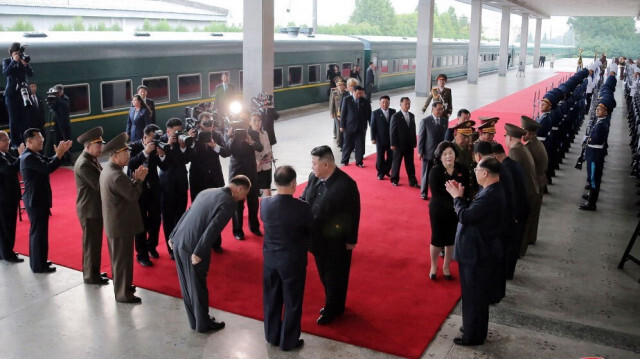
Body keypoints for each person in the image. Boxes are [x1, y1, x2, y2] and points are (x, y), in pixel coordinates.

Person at [168, 175, 251, 333]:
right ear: (240, 189)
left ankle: (196, 320)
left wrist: (173, 235)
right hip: (194, 246)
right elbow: (213, 229)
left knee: (186, 284)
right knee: (198, 285)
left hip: (179, 241)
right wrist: (199, 252)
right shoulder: (229, 202)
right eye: (245, 194)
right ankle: (203, 324)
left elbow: (188, 212)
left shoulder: (207, 191)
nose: (244, 198)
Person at [445, 157, 506, 347]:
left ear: (486, 173)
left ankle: (472, 336)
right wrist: (462, 197)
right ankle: (473, 327)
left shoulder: (490, 195)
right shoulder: (492, 190)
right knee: (476, 296)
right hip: (480, 250)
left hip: (476, 253)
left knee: (473, 296)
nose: (475, 172)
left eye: (478, 170)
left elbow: (466, 216)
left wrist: (456, 198)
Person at [300, 145, 360, 325]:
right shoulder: (313, 178)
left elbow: (354, 213)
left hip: (336, 242)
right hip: (316, 240)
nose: (312, 167)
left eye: (314, 163)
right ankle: (335, 303)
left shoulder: (346, 185)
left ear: (326, 165)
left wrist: (351, 240)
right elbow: (304, 199)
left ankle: (333, 308)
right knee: (324, 274)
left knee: (336, 276)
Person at [260, 166, 311, 351]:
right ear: (294, 183)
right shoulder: (303, 208)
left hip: (270, 260)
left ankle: (272, 336)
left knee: (271, 298)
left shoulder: (264, 204)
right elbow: (309, 232)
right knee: (292, 301)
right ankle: (288, 341)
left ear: (274, 182)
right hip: (293, 261)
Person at [100, 133, 148, 303]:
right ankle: (123, 294)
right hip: (121, 224)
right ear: (115, 155)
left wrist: (134, 180)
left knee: (120, 260)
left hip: (116, 223)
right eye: (125, 151)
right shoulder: (117, 175)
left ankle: (124, 286)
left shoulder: (110, 170)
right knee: (122, 261)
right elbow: (133, 195)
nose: (128, 154)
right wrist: (139, 181)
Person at [20, 128, 72, 273]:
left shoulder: (33, 154)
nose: (42, 141)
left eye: (42, 139)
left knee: (41, 233)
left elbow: (48, 161)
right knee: (38, 233)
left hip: (38, 199)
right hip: (35, 200)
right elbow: (47, 168)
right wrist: (59, 154)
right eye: (39, 139)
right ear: (29, 141)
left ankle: (40, 261)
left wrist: (58, 155)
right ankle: (37, 265)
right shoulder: (28, 157)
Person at [428, 141, 469, 280]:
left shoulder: (462, 169)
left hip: (456, 210)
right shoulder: (435, 171)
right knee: (437, 239)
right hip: (438, 210)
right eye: (444, 154)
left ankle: (446, 266)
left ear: (455, 154)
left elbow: (466, 190)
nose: (448, 156)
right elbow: (437, 194)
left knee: (451, 239)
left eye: (450, 153)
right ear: (440, 157)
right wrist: (456, 202)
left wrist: (460, 203)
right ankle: (434, 266)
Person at [74, 127, 109, 285]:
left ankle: (92, 272)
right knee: (91, 244)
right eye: (98, 145)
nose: (101, 147)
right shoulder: (84, 164)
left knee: (94, 243)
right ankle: (90, 276)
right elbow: (98, 184)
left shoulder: (90, 159)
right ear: (88, 145)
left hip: (93, 208)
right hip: (90, 209)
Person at [492, 143, 530, 280]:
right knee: (514, 243)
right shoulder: (512, 164)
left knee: (510, 245)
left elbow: (510, 195)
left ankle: (507, 273)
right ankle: (509, 272)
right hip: (523, 208)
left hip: (517, 211)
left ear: (496, 156)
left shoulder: (505, 169)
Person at [158, 118, 195, 259]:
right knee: (168, 217)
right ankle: (170, 248)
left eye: (180, 130)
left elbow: (187, 159)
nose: (179, 133)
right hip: (166, 183)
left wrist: (184, 147)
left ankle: (180, 244)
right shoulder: (161, 140)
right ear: (168, 131)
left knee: (181, 215)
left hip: (181, 182)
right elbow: (163, 164)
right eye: (175, 131)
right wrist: (169, 145)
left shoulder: (183, 138)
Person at [128, 124, 165, 265]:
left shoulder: (157, 146)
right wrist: (145, 152)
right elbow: (130, 164)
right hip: (138, 190)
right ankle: (141, 254)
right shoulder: (134, 146)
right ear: (145, 136)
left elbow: (165, 167)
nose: (154, 141)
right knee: (141, 223)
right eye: (152, 138)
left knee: (155, 221)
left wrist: (162, 155)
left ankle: (152, 246)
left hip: (154, 188)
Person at [504, 123, 539, 257]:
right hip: (531, 190)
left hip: (526, 193)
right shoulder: (522, 148)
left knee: (520, 227)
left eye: (507, 136)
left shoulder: (515, 151)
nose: (506, 139)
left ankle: (518, 252)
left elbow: (511, 177)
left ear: (511, 138)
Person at [228, 113, 264, 240]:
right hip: (236, 171)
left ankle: (254, 227)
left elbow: (260, 148)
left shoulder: (253, 133)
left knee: (253, 201)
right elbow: (227, 152)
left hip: (251, 171)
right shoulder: (231, 134)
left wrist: (251, 141)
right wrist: (230, 138)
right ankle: (237, 230)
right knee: (237, 203)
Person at [580, 96, 614, 211]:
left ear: (606, 112)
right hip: (594, 153)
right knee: (592, 177)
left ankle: (591, 203)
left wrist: (588, 139)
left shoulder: (601, 125)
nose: (597, 110)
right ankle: (591, 196)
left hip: (595, 154)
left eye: (600, 109)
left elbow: (594, 139)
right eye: (597, 108)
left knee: (594, 179)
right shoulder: (601, 121)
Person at [189, 112, 230, 203]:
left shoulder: (217, 135)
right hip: (198, 177)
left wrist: (214, 146)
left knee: (216, 204)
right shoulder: (194, 136)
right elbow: (188, 157)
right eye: (205, 123)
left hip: (214, 176)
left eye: (210, 122)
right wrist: (191, 142)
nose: (209, 125)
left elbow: (226, 153)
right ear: (199, 124)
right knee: (198, 205)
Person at [521, 116, 548, 246]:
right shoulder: (538, 143)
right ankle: (531, 237)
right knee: (534, 213)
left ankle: (526, 240)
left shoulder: (529, 148)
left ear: (528, 132)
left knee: (529, 214)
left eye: (523, 131)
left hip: (534, 181)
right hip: (541, 179)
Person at [3, 42, 33, 148]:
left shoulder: (23, 61)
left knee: (24, 119)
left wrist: (25, 64)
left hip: (23, 93)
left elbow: (31, 74)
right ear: (11, 54)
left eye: (19, 53)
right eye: (16, 53)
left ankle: (26, 141)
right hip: (11, 95)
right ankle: (15, 144)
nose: (18, 55)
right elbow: (6, 72)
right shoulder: (7, 61)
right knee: (13, 119)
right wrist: (14, 62)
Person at [0, 131, 24, 263]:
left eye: (8, 139)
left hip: (7, 196)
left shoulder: (5, 154)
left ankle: (3, 252)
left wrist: (21, 156)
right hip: (5, 198)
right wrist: (21, 156)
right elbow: (9, 170)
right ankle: (8, 253)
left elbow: (14, 163)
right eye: (5, 140)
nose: (8, 142)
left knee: (4, 227)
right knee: (7, 227)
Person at [418, 101, 448, 199]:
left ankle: (438, 192)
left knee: (440, 174)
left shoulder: (444, 120)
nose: (440, 111)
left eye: (442, 109)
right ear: (432, 109)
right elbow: (421, 137)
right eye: (438, 109)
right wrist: (420, 151)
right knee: (426, 174)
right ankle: (424, 193)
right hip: (429, 152)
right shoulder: (425, 121)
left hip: (441, 153)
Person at [389, 96, 418, 187]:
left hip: (409, 144)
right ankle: (394, 179)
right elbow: (392, 131)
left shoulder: (412, 115)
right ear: (400, 104)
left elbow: (413, 130)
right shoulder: (395, 116)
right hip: (399, 145)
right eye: (405, 104)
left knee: (410, 164)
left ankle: (412, 181)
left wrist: (414, 142)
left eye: (409, 104)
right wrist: (393, 144)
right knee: (396, 163)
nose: (407, 105)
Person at [340, 86, 370, 168]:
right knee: (347, 144)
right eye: (358, 93)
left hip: (361, 127)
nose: (359, 95)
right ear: (353, 92)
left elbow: (369, 115)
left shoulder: (365, 102)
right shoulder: (347, 100)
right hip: (349, 127)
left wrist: (370, 126)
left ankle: (359, 162)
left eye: (361, 93)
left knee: (360, 145)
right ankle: (344, 161)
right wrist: (342, 125)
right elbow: (343, 114)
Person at [370, 95, 396, 180]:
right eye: (383, 102)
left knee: (390, 157)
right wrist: (373, 138)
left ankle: (386, 170)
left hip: (391, 139)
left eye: (386, 102)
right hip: (380, 139)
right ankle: (380, 172)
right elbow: (373, 127)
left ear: (389, 103)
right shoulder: (375, 113)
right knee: (380, 157)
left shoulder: (393, 111)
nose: (384, 104)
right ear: (379, 103)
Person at [251, 112, 273, 197]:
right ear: (250, 123)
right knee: (257, 193)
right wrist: (255, 161)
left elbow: (268, 146)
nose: (257, 123)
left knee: (268, 190)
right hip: (256, 167)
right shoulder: (249, 136)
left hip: (266, 165)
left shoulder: (265, 133)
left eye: (259, 120)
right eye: (254, 121)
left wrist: (270, 155)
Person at [329, 77, 346, 148]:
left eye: (341, 85)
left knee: (344, 128)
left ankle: (344, 141)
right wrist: (331, 113)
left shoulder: (346, 93)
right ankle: (339, 142)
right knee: (338, 127)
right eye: (338, 85)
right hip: (337, 113)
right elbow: (332, 103)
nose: (339, 86)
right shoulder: (334, 93)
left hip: (344, 113)